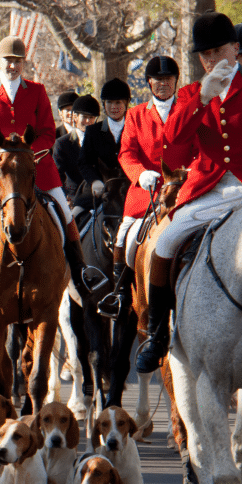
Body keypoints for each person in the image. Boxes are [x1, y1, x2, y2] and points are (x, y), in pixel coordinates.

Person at [135, 12, 242, 373]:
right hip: (207, 190)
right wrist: (199, 102)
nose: (211, 61)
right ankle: (158, 334)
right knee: (164, 243)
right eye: (204, 55)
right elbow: (173, 149)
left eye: (219, 51)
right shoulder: (191, 94)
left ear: (236, 49)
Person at [0, 35, 101, 300]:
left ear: (23, 63)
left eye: (17, 61)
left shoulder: (37, 91)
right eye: (8, 61)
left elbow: (48, 132)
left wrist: (28, 156)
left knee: (66, 214)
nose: (12, 66)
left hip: (35, 168)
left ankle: (81, 273)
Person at [101, 55, 189, 318]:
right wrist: (140, 175)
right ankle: (120, 294)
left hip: (182, 190)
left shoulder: (188, 111)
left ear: (175, 81)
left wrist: (189, 171)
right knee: (124, 236)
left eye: (168, 79)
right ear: (149, 83)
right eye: (158, 80)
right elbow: (126, 154)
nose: (163, 84)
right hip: (145, 192)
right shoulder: (136, 114)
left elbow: (200, 149)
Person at [76, 78, 131, 216]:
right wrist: (94, 181)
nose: (113, 107)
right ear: (104, 104)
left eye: (118, 102)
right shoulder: (93, 131)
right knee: (73, 216)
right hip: (100, 187)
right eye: (109, 102)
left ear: (126, 103)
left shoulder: (135, 128)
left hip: (128, 187)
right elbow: (84, 162)